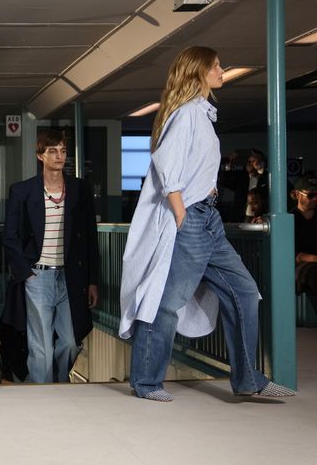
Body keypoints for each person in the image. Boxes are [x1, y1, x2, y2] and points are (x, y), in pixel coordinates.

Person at [119, 46, 295, 401]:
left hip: (208, 217)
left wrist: (207, 194)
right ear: (198, 72)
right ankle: (146, 381)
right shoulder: (186, 114)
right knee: (167, 301)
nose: (222, 69)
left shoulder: (201, 113)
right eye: (216, 65)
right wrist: (183, 215)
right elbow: (167, 168)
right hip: (194, 219)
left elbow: (194, 165)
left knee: (244, 292)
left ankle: (248, 380)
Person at [0, 130, 99, 383]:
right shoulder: (22, 191)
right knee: (41, 345)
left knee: (70, 341)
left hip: (71, 277)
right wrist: (27, 274)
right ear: (40, 156)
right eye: (52, 151)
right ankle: (43, 397)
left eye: (63, 150)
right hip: (38, 276)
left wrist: (92, 280)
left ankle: (56, 383)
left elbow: (89, 237)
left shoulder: (79, 189)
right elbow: (9, 236)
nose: (59, 156)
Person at [292, 175, 317, 303]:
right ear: (297, 194)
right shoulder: (289, 219)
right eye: (311, 195)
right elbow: (296, 256)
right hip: (300, 268)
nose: (315, 199)